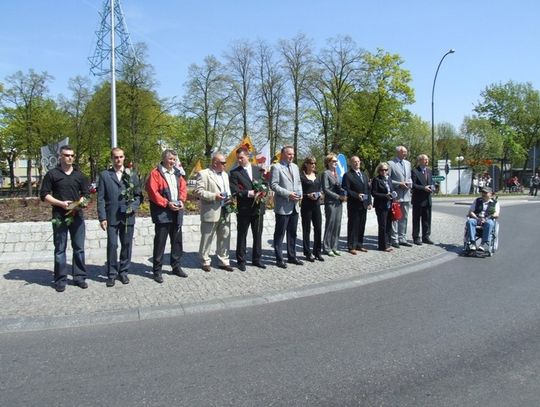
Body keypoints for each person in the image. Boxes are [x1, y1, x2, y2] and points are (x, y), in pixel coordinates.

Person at [40, 145, 90, 292]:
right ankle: (60, 279)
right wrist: (60, 203)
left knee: (79, 248)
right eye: (67, 155)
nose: (70, 158)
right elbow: (44, 195)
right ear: (60, 156)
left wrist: (80, 203)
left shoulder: (79, 175)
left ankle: (79, 277)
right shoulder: (52, 174)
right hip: (59, 217)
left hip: (77, 217)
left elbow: (86, 194)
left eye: (72, 155)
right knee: (60, 249)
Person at [97, 147, 143, 287]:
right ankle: (111, 274)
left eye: (121, 157)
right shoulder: (105, 175)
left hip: (127, 216)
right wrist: (102, 217)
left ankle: (123, 272)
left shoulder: (132, 174)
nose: (118, 160)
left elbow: (138, 196)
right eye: (116, 157)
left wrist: (132, 207)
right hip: (111, 216)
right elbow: (101, 199)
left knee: (126, 245)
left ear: (124, 158)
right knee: (112, 245)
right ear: (112, 159)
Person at [146, 149, 188, 283]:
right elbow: (153, 193)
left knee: (177, 241)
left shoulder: (177, 173)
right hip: (162, 213)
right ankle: (157, 271)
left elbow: (183, 188)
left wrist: (181, 200)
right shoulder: (155, 173)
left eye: (174, 160)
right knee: (160, 242)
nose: (172, 162)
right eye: (170, 159)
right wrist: (166, 203)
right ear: (164, 159)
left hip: (176, 212)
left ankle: (176, 266)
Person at [194, 152, 234, 272]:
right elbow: (198, 191)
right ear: (215, 163)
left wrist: (230, 199)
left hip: (225, 210)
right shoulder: (204, 174)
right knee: (207, 237)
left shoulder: (225, 175)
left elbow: (227, 191)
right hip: (211, 210)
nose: (225, 164)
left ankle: (224, 261)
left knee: (225, 235)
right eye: (223, 163)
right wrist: (213, 196)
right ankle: (205, 260)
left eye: (225, 162)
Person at [229, 147, 267, 271]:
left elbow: (264, 184)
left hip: (258, 208)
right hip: (244, 208)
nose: (239, 160)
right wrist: (249, 193)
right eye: (238, 158)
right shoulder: (235, 173)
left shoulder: (258, 170)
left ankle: (257, 259)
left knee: (257, 235)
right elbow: (235, 191)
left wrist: (263, 191)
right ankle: (241, 260)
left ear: (248, 156)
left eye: (242, 157)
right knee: (242, 234)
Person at [270, 145, 303, 268]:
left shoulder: (295, 167)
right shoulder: (276, 167)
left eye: (293, 154)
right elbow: (273, 185)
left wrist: (300, 194)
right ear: (283, 154)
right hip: (283, 206)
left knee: (292, 233)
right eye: (289, 154)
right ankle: (279, 259)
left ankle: (292, 256)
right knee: (280, 233)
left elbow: (298, 182)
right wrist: (288, 194)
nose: (292, 156)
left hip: (295, 205)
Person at [341, 155, 372, 254]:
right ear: (351, 163)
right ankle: (351, 246)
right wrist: (356, 195)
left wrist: (369, 202)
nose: (357, 163)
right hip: (354, 204)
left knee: (361, 225)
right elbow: (346, 189)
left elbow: (368, 189)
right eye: (354, 161)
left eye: (358, 161)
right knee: (353, 225)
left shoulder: (364, 174)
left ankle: (359, 244)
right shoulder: (348, 175)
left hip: (364, 204)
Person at [321, 153, 346, 257]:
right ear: (328, 162)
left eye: (336, 161)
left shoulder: (338, 174)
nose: (336, 163)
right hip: (331, 202)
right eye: (334, 161)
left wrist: (343, 193)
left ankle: (335, 246)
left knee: (337, 224)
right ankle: (327, 247)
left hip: (339, 203)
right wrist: (337, 196)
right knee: (330, 224)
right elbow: (326, 189)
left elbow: (341, 186)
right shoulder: (326, 174)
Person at [387, 146, 413, 248]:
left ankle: (403, 238)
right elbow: (387, 179)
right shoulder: (391, 164)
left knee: (404, 217)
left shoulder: (408, 163)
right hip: (396, 195)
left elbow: (409, 177)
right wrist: (399, 183)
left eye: (406, 152)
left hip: (406, 194)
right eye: (404, 152)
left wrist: (410, 183)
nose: (405, 154)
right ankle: (394, 239)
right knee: (395, 217)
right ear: (398, 153)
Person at [300, 156, 324, 262]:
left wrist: (320, 194)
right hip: (306, 205)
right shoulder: (302, 177)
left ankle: (317, 251)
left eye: (314, 163)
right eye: (311, 163)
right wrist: (307, 195)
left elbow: (322, 190)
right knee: (306, 229)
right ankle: (307, 252)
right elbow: (299, 191)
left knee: (318, 228)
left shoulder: (317, 176)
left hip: (316, 205)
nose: (313, 165)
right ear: (306, 164)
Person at [465, 186, 500, 252]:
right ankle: (473, 243)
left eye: (485, 193)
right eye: (482, 192)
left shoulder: (495, 202)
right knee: (470, 221)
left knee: (489, 223)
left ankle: (482, 244)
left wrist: (486, 219)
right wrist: (477, 218)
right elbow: (471, 211)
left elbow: (496, 214)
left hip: (488, 219)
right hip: (477, 218)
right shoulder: (477, 200)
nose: (483, 194)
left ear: (491, 194)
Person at [411, 154, 435, 245]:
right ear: (420, 161)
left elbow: (431, 182)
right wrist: (423, 188)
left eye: (427, 159)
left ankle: (426, 236)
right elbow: (413, 185)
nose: (427, 161)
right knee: (416, 220)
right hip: (418, 200)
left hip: (428, 199)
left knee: (427, 219)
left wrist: (432, 187)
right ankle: (416, 237)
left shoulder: (429, 171)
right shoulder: (414, 171)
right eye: (425, 159)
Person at [371, 162, 394, 252]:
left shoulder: (389, 179)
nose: (384, 171)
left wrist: (392, 195)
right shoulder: (376, 180)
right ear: (379, 171)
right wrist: (385, 196)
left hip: (389, 205)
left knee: (389, 225)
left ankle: (388, 243)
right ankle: (382, 245)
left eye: (386, 170)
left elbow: (391, 189)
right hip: (381, 205)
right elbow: (374, 193)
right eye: (382, 170)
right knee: (383, 226)